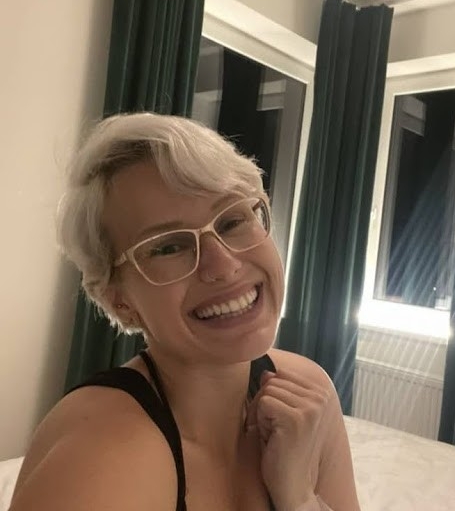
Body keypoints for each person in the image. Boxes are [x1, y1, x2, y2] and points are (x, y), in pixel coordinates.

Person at [9, 113, 360, 511]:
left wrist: (298, 495)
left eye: (232, 220)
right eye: (168, 247)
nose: (223, 265)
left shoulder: (308, 395)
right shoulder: (101, 455)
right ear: (119, 301)